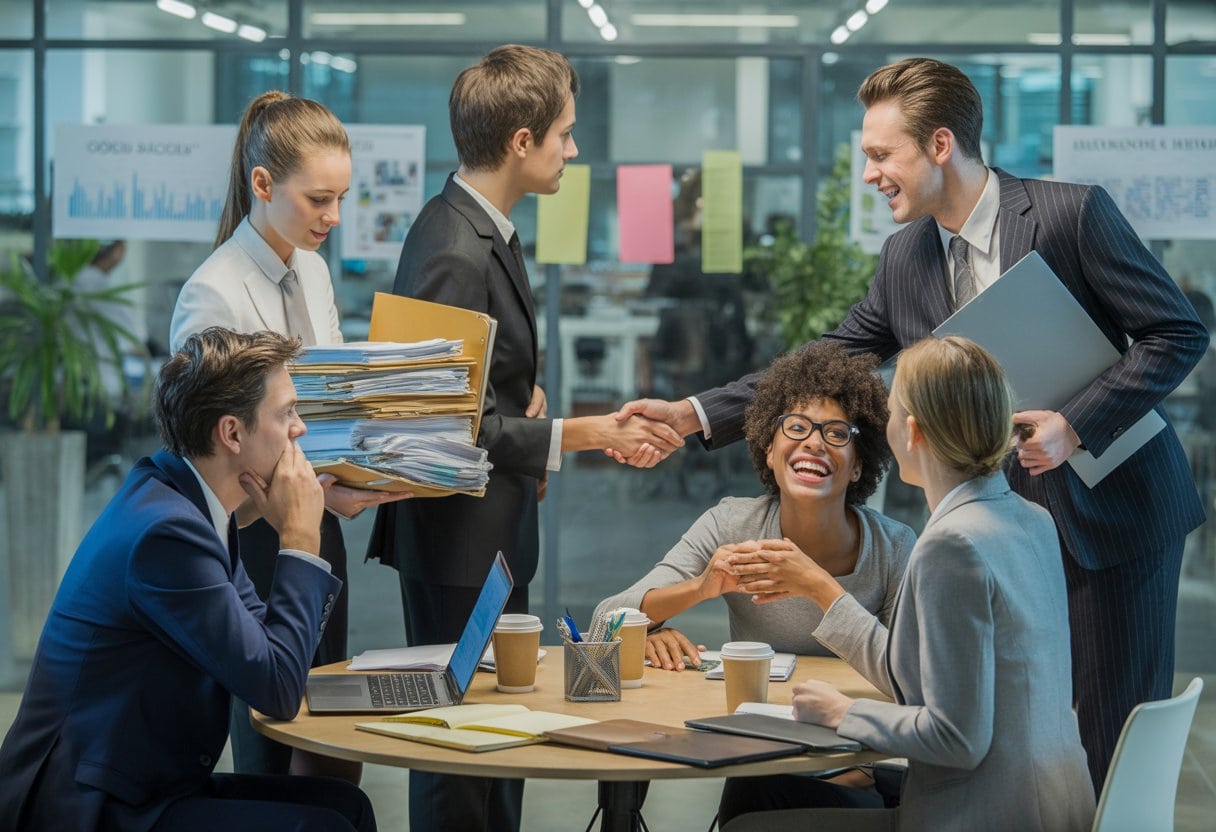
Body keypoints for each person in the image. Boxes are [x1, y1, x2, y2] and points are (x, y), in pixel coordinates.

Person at [612, 57, 1209, 792]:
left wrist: (1075, 425)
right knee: (1015, 728)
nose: (870, 175)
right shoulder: (907, 258)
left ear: (939, 145)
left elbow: (1176, 333)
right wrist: (695, 412)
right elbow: (823, 360)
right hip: (1006, 525)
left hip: (1112, 514)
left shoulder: (1068, 214)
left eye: (879, 155)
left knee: (1105, 735)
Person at [364, 44, 682, 832]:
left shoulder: (484, 229)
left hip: (489, 536)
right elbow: (432, 417)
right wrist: (574, 432)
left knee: (497, 745)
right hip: (455, 541)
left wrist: (526, 396)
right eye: (565, 134)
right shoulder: (451, 244)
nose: (573, 150)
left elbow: (479, 382)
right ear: (520, 140)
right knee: (457, 754)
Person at [0, 327, 377, 832]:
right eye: (287, 412)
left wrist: (288, 533)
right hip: (91, 806)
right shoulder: (169, 534)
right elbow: (277, 688)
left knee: (343, 806)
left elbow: (267, 647)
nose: (300, 429)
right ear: (232, 433)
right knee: (324, 827)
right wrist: (299, 538)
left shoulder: (191, 506)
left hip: (147, 784)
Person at [719, 335, 1095, 831]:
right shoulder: (1033, 520)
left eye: (892, 412)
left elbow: (956, 738)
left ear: (912, 432)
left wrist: (843, 713)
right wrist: (822, 590)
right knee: (764, 791)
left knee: (750, 826)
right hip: (1059, 806)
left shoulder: (951, 545)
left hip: (980, 815)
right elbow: (924, 677)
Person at [169, 90, 408, 781]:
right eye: (318, 200)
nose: (334, 218)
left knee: (331, 747)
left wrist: (359, 467)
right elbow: (212, 457)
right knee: (272, 742)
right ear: (263, 184)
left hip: (316, 528)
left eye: (341, 199)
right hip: (251, 541)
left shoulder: (312, 267)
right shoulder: (211, 294)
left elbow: (324, 403)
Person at [594, 341, 915, 673]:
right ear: (770, 452)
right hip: (752, 713)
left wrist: (817, 585)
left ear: (858, 466)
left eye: (836, 433)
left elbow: (911, 669)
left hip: (851, 717)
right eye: (796, 427)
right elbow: (604, 623)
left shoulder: (893, 547)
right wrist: (683, 600)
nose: (814, 443)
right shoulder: (731, 525)